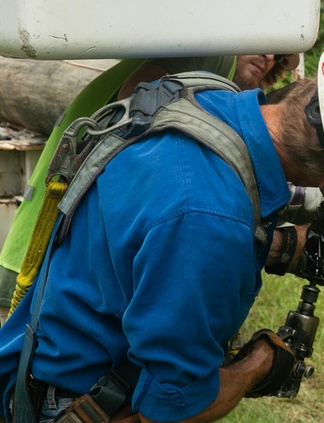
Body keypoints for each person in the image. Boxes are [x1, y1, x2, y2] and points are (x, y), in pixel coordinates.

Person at [0, 50, 324, 423]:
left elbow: (149, 232)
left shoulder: (200, 97)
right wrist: (259, 363)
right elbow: (165, 413)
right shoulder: (210, 220)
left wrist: (276, 246)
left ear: (308, 89)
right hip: (77, 409)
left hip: (46, 355)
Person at [0, 53, 300, 322]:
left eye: (279, 57)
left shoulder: (196, 66)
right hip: (46, 262)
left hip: (46, 252)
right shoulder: (209, 56)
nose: (269, 56)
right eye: (265, 41)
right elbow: (140, 102)